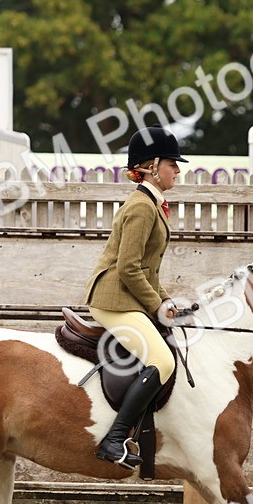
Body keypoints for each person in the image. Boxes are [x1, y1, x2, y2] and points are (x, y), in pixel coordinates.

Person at [83, 126, 187, 469]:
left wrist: (168, 301)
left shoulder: (151, 205)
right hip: (113, 299)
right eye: (172, 163)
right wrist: (156, 305)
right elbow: (128, 268)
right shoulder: (142, 207)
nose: (178, 169)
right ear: (153, 166)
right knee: (164, 360)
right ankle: (114, 439)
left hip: (127, 296)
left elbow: (147, 269)